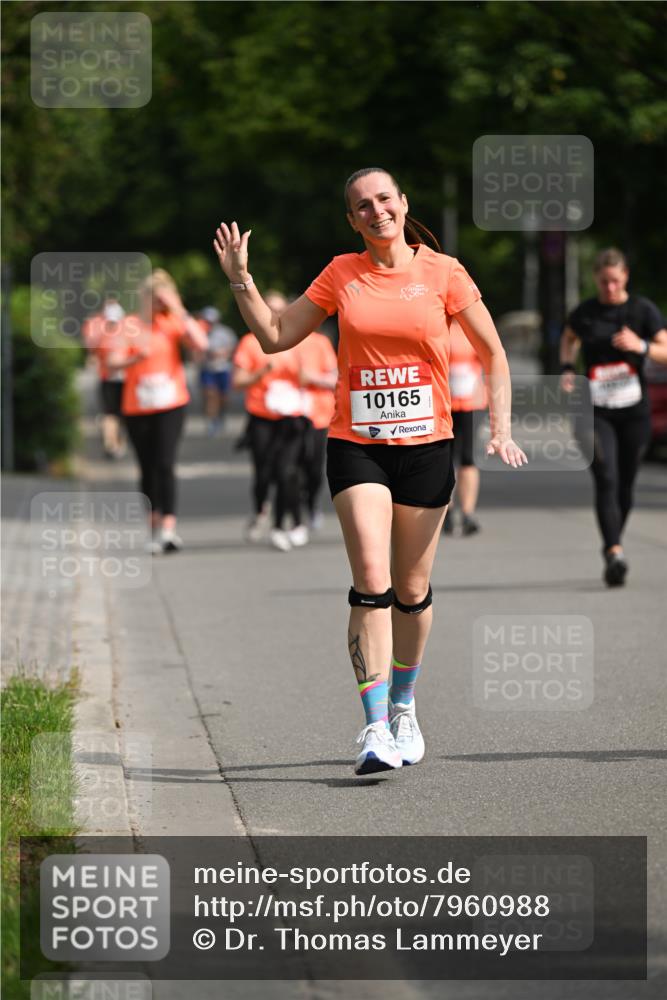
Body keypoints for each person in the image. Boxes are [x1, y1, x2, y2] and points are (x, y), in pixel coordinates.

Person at [214, 167, 526, 774]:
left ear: (403, 204)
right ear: (352, 220)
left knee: (411, 591)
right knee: (372, 582)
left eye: (384, 199)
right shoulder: (341, 273)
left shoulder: (444, 272)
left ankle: (405, 704)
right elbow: (275, 336)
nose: (376, 210)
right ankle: (376, 726)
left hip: (428, 446)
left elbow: (493, 352)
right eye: (362, 205)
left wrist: (501, 428)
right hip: (356, 444)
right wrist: (240, 280)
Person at [560, 248, 667, 586]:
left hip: (634, 411)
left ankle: (613, 541)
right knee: (606, 476)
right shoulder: (585, 313)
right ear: (596, 278)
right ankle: (614, 551)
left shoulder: (642, 311)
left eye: (615, 281)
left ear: (626, 277)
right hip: (595, 411)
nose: (609, 287)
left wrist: (641, 346)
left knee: (625, 482)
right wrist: (567, 368)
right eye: (604, 281)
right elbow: (569, 337)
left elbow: (665, 351)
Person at [108, 269, 208, 553]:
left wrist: (178, 309)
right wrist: (133, 359)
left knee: (165, 463)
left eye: (162, 300)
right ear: (144, 298)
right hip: (137, 405)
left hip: (171, 403)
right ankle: (152, 524)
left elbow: (201, 343)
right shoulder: (130, 325)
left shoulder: (172, 322)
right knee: (147, 466)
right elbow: (112, 361)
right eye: (155, 300)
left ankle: (168, 528)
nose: (158, 306)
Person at [232, 291, 311, 551]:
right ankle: (260, 508)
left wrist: (302, 374)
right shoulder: (249, 342)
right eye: (270, 307)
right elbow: (238, 381)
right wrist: (261, 373)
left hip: (291, 417)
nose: (275, 313)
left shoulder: (298, 339)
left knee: (287, 472)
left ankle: (283, 526)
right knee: (264, 474)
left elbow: (308, 379)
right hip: (262, 417)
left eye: (280, 308)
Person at [442, 317, 488, 536]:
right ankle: (447, 511)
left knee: (468, 457)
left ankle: (468, 513)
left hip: (472, 402)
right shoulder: (439, 323)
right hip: (444, 403)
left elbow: (491, 356)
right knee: (446, 458)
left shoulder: (475, 324)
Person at [295, 330, 338, 529]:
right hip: (286, 416)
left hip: (318, 417)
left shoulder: (320, 342)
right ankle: (294, 513)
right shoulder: (275, 341)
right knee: (290, 469)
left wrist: (310, 377)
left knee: (314, 468)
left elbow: (334, 380)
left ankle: (312, 503)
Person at [82, 297, 127, 459]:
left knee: (111, 413)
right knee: (115, 414)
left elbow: (91, 351)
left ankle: (112, 444)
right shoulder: (126, 332)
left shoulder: (102, 333)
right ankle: (112, 444)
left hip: (111, 378)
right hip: (116, 378)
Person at [197, 306, 237, 436]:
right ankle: (211, 421)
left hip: (223, 368)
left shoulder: (225, 332)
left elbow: (234, 348)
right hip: (207, 369)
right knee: (210, 395)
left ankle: (220, 415)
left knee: (223, 397)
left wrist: (222, 353)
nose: (209, 323)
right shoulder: (199, 332)